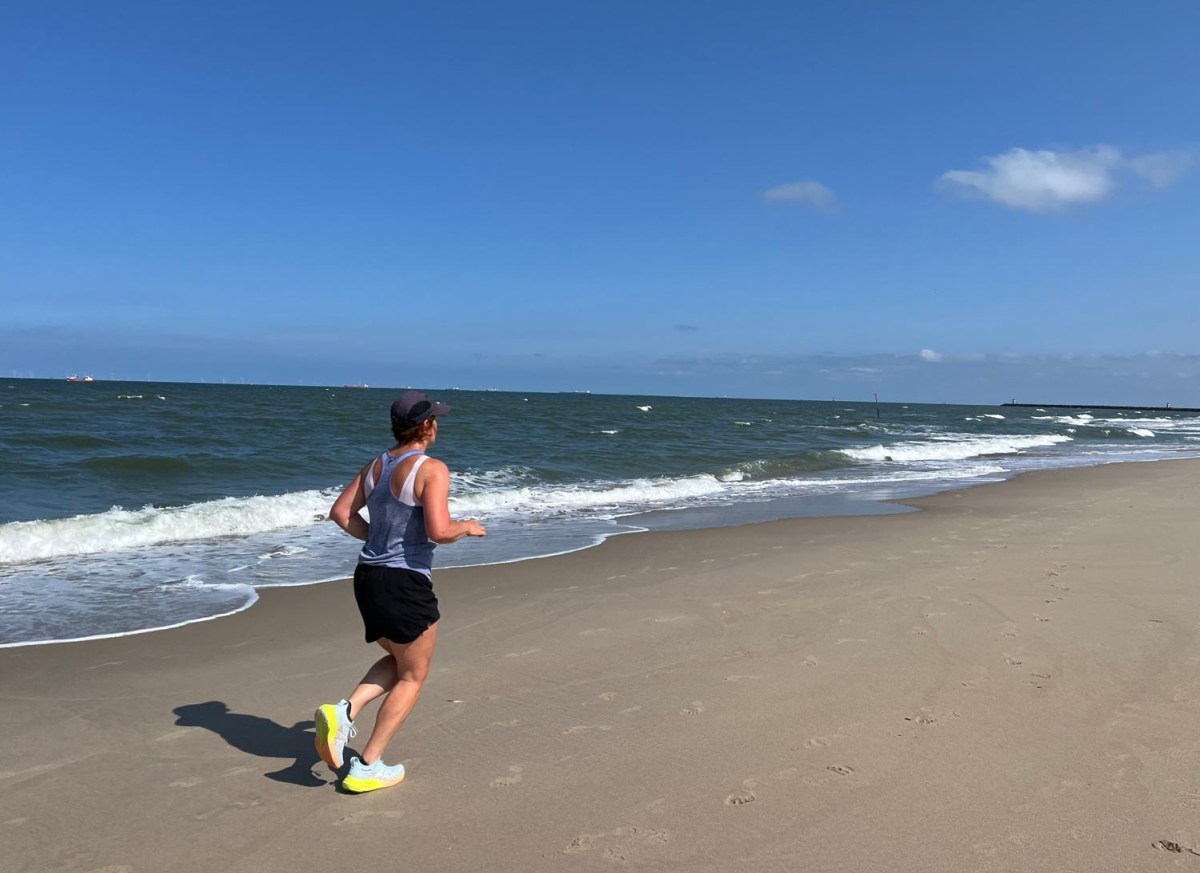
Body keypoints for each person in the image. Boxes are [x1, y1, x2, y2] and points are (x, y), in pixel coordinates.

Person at [315, 389, 486, 793]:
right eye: (436, 418)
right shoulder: (431, 468)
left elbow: (341, 513)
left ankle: (345, 711)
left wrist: (377, 537)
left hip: (367, 577)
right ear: (426, 425)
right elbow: (439, 531)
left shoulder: (376, 464)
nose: (438, 424)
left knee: (399, 658)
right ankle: (367, 764)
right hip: (404, 580)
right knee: (414, 675)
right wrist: (467, 526)